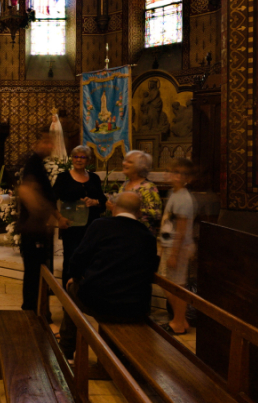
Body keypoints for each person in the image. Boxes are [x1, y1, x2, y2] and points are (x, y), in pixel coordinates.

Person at [58, 191, 159, 356]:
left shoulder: (100, 225)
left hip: (99, 302)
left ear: (114, 208)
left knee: (72, 290)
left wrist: (75, 278)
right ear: (139, 212)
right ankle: (120, 358)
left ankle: (66, 350)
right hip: (135, 307)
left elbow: (78, 259)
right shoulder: (148, 236)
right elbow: (150, 270)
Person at [17, 130, 68, 316]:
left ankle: (39, 310)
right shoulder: (33, 164)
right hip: (33, 230)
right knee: (34, 273)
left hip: (38, 229)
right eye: (46, 142)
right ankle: (32, 311)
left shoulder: (38, 164)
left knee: (39, 272)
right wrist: (41, 215)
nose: (50, 146)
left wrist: (58, 217)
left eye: (51, 142)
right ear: (36, 144)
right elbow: (26, 191)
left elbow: (45, 194)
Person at [53, 146, 105, 288]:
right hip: (72, 226)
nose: (79, 160)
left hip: (91, 227)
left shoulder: (94, 178)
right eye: (76, 157)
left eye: (82, 157)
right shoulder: (63, 177)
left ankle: (85, 295)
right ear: (72, 159)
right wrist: (59, 218)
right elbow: (50, 200)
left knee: (90, 259)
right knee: (71, 259)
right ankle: (68, 296)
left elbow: (103, 200)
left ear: (88, 160)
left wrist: (95, 202)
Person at [159, 157, 196, 335]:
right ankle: (181, 319)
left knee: (177, 286)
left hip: (178, 247)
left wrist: (174, 253)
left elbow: (181, 229)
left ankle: (179, 322)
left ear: (188, 178)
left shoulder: (184, 198)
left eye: (182, 174)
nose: (178, 176)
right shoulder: (174, 193)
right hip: (170, 245)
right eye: (175, 172)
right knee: (167, 284)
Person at [122, 150, 162, 236]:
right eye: (125, 160)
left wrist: (136, 212)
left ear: (139, 167)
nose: (124, 163)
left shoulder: (148, 187)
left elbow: (157, 214)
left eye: (129, 162)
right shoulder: (124, 184)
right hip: (124, 231)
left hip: (141, 234)